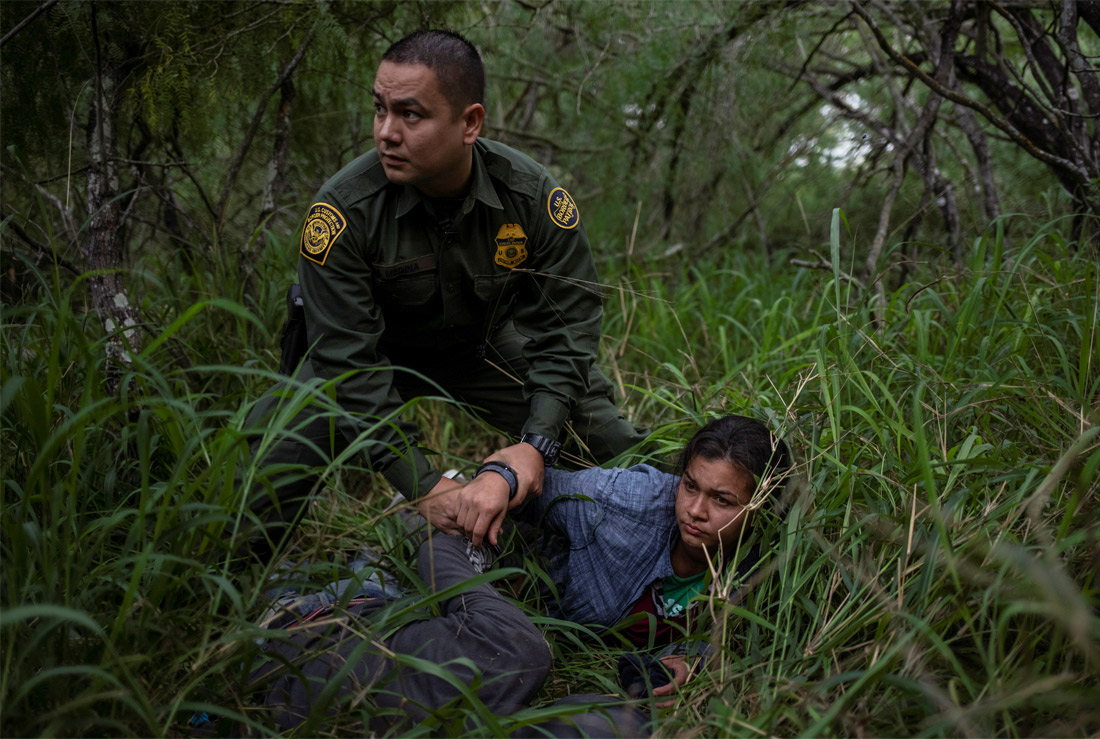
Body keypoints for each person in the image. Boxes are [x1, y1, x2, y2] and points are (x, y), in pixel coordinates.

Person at [245, 29, 646, 557]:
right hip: (370, 359)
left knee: (610, 441)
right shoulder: (343, 212)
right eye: (380, 109)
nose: (386, 132)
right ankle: (235, 601)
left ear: (470, 123)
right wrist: (423, 485)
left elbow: (566, 328)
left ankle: (604, 549)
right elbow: (348, 363)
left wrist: (534, 444)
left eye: (410, 114)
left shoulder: (530, 197)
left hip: (481, 347)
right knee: (255, 484)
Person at [509, 414, 792, 705]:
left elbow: (722, 637)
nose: (695, 510)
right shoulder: (625, 503)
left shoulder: (762, 567)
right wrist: (494, 482)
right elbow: (525, 487)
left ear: (763, 505)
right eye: (690, 486)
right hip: (514, 600)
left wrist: (692, 661)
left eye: (721, 500)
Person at [246, 532, 648, 736]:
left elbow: (442, 549)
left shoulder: (516, 652)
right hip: (305, 647)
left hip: (302, 626)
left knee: (367, 577)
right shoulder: (511, 660)